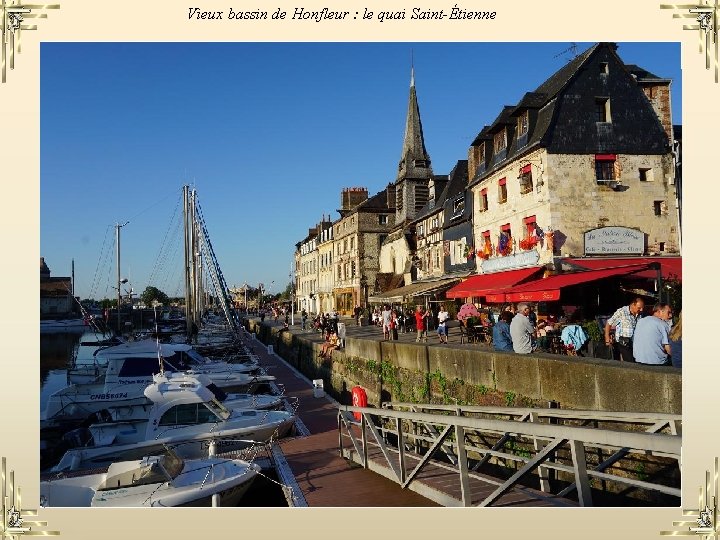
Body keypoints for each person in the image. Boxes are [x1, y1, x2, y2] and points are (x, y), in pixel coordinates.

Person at [604, 297, 645, 362]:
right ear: (633, 304)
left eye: (642, 308)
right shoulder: (622, 312)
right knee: (630, 363)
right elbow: (609, 323)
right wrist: (607, 338)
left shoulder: (640, 314)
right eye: (639, 308)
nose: (641, 310)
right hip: (623, 342)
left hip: (635, 343)